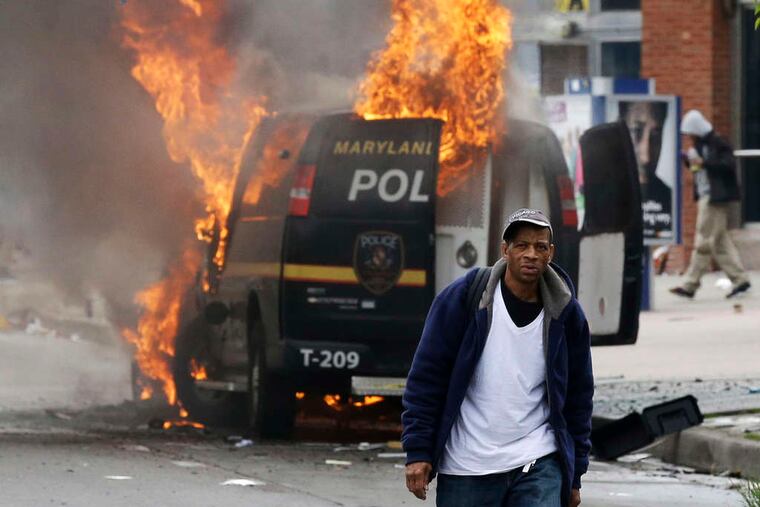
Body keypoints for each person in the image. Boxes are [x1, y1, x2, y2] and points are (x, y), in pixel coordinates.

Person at [402, 208, 593, 507]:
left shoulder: (566, 313)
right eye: (521, 245)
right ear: (505, 250)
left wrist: (575, 472)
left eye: (540, 247)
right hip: (468, 464)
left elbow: (579, 397)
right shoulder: (464, 298)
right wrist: (418, 451)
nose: (531, 254)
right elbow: (427, 378)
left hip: (537, 459)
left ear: (550, 253)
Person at [670, 110, 751, 299]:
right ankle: (740, 279)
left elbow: (727, 165)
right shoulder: (699, 145)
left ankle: (691, 283)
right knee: (720, 242)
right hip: (706, 196)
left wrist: (704, 162)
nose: (689, 137)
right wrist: (689, 162)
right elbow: (698, 169)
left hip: (714, 198)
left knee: (703, 240)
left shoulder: (718, 143)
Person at [620, 101, 673, 221]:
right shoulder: (607, 196)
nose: (646, 157)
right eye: (636, 131)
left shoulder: (671, 199)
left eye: (656, 135)